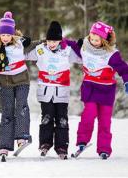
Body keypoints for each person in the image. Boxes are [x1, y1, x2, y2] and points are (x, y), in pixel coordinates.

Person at [68, 21, 128, 159]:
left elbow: (123, 69)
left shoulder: (111, 54)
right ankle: (82, 141)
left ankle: (104, 149)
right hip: (90, 88)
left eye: (97, 40)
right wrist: (59, 40)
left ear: (104, 40)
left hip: (106, 91)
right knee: (88, 115)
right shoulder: (84, 48)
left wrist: (126, 81)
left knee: (105, 121)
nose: (93, 42)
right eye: (91, 38)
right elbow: (69, 45)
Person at [25, 21, 82, 159]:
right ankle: (45, 143)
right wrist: (24, 44)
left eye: (54, 41)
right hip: (46, 91)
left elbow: (82, 59)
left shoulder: (67, 50)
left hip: (62, 91)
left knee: (62, 119)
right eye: (49, 40)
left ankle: (62, 146)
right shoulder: (41, 49)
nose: (51, 43)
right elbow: (24, 55)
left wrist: (81, 48)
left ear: (60, 40)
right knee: (46, 118)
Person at [0, 11, 35, 160]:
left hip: (21, 80)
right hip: (4, 82)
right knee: (7, 112)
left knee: (21, 106)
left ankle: (21, 136)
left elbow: (37, 44)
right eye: (3, 35)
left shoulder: (20, 44)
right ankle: (4, 145)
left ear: (13, 35)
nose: (5, 38)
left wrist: (50, 41)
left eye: (8, 35)